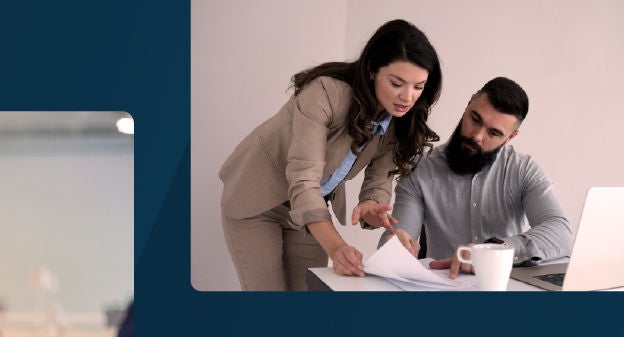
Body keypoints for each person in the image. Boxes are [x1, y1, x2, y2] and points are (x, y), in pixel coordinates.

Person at [219, 19, 443, 290]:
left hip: (310, 210)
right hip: (258, 201)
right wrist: (338, 248)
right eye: (397, 83)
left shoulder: (399, 121)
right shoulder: (325, 92)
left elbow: (378, 181)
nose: (407, 97)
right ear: (371, 69)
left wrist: (372, 205)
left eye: (418, 87)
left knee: (308, 294)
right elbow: (303, 178)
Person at [383, 77, 574, 278]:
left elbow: (561, 233)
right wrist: (395, 246)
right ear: (469, 102)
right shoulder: (419, 169)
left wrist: (494, 252)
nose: (477, 136)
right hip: (443, 289)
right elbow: (396, 239)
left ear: (510, 137)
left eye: (493, 133)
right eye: (475, 118)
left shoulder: (523, 169)